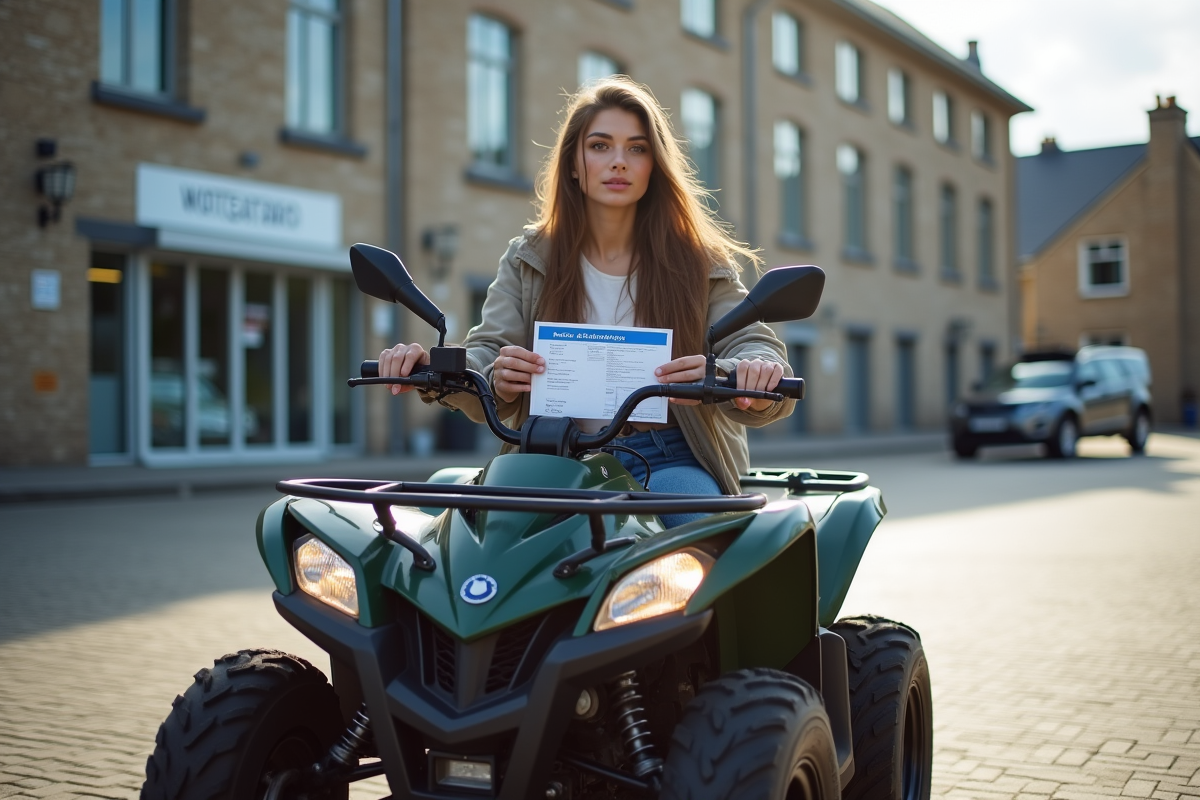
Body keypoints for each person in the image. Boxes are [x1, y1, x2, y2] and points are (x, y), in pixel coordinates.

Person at [380, 77, 795, 526]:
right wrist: (453, 369)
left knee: (697, 540)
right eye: (600, 146)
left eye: (637, 149)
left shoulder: (699, 262)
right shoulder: (529, 257)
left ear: (654, 165)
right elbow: (487, 350)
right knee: (490, 548)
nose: (619, 162)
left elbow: (754, 343)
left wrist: (742, 370)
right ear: (574, 163)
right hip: (552, 455)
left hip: (670, 456)